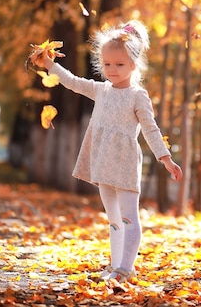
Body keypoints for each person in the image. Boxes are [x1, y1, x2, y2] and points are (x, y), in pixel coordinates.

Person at [35, 20, 183, 283]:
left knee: (128, 217)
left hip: (124, 162)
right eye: (107, 64)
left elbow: (150, 129)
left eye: (120, 64)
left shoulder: (138, 96)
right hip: (102, 160)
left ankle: (125, 268)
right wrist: (48, 64)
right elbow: (70, 81)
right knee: (113, 217)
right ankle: (117, 265)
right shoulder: (100, 90)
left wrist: (165, 158)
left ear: (134, 65)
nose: (112, 70)